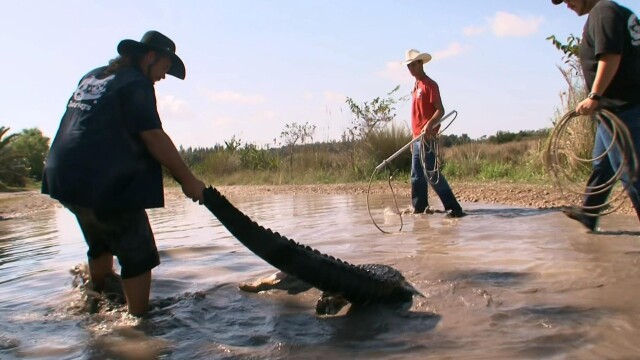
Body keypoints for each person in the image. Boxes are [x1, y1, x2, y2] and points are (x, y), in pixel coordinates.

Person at [42, 30, 206, 316]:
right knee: (139, 255)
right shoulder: (136, 83)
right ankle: (138, 323)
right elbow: (153, 136)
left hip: (63, 177)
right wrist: (189, 181)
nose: (163, 77)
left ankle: (97, 299)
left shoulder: (93, 76)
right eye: (164, 69)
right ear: (150, 57)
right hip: (101, 180)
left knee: (101, 241)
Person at [552, 0, 640, 231]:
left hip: (623, 109)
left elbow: (610, 55)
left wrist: (594, 96)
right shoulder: (614, 11)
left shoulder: (603, 12)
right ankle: (589, 213)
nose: (567, 4)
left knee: (631, 171)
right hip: (612, 111)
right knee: (602, 165)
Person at [403, 49, 466, 218]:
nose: (410, 69)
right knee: (416, 175)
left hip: (427, 138)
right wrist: (412, 139)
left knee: (432, 174)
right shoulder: (415, 87)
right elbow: (416, 116)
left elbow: (440, 110)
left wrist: (429, 125)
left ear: (420, 64)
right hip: (416, 139)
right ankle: (420, 207)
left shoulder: (430, 85)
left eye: (412, 65)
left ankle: (454, 208)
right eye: (408, 66)